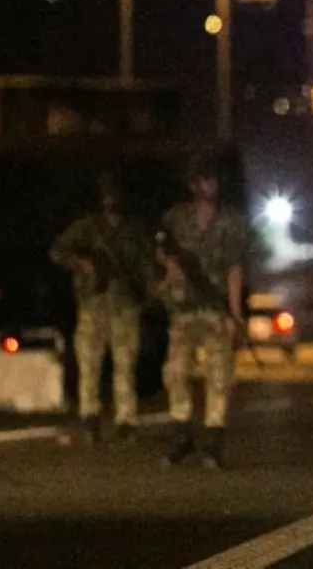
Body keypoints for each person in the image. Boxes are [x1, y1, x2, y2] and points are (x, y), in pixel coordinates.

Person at [156, 153, 249, 470]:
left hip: (215, 308)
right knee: (176, 372)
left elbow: (235, 267)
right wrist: (170, 266)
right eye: (205, 179)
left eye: (214, 179)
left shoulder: (231, 221)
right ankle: (181, 433)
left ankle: (213, 440)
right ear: (193, 184)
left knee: (220, 376)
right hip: (183, 307)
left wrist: (235, 312)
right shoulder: (176, 218)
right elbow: (160, 249)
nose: (212, 185)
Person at [50, 172, 153, 445]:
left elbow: (146, 265)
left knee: (125, 365)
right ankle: (90, 417)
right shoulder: (87, 227)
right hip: (93, 304)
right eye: (107, 194)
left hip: (124, 304)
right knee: (89, 365)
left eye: (115, 194)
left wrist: (148, 294)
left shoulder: (134, 231)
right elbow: (58, 251)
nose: (111, 199)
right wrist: (82, 265)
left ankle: (126, 421)